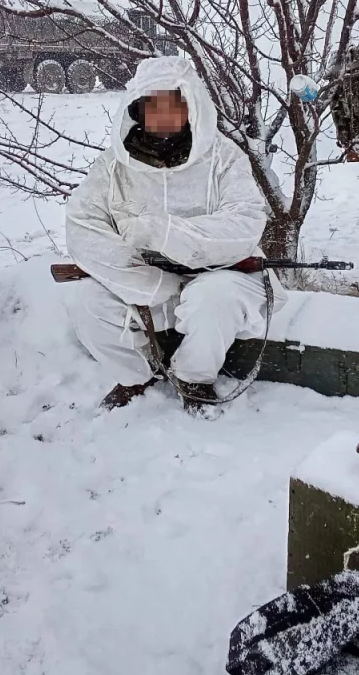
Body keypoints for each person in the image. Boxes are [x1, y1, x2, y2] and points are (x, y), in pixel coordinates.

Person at [65, 55, 287, 411]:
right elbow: (84, 226)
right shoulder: (113, 166)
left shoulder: (224, 158)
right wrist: (145, 279)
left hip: (222, 272)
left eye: (173, 105)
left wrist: (165, 232)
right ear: (138, 110)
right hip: (141, 276)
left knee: (213, 300)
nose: (163, 115)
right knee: (86, 302)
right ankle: (135, 377)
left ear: (191, 107)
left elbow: (244, 222)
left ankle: (193, 378)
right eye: (153, 106)